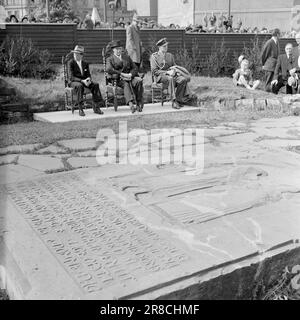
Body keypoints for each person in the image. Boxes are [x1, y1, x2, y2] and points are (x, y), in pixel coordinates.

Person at [150, 38, 198, 110]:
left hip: (171, 74)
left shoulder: (170, 55)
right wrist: (167, 72)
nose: (166, 48)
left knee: (183, 79)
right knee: (171, 79)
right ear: (159, 47)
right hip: (160, 77)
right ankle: (173, 100)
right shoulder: (154, 57)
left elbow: (174, 66)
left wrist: (176, 72)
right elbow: (154, 71)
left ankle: (179, 100)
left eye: (166, 46)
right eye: (164, 46)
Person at [106, 40, 144, 113]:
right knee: (126, 83)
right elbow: (108, 69)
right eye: (117, 49)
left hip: (130, 77)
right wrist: (121, 74)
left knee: (138, 81)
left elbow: (135, 68)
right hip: (118, 79)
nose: (118, 50)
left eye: (120, 49)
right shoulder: (110, 59)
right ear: (113, 50)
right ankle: (131, 104)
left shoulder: (126, 57)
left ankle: (138, 103)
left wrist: (130, 74)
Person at [68, 45, 105, 116]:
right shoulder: (71, 63)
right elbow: (71, 77)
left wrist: (88, 80)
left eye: (77, 54)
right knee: (79, 86)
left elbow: (88, 75)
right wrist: (82, 81)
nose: (75, 55)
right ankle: (80, 108)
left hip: (84, 81)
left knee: (95, 85)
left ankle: (96, 107)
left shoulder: (85, 63)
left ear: (81, 55)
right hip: (74, 82)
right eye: (74, 53)